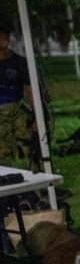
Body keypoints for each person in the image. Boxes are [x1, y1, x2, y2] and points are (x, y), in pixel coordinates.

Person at [0, 23, 33, 167]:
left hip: (17, 110)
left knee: (26, 146)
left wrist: (36, 115)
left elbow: (30, 89)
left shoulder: (18, 63)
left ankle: (35, 177)